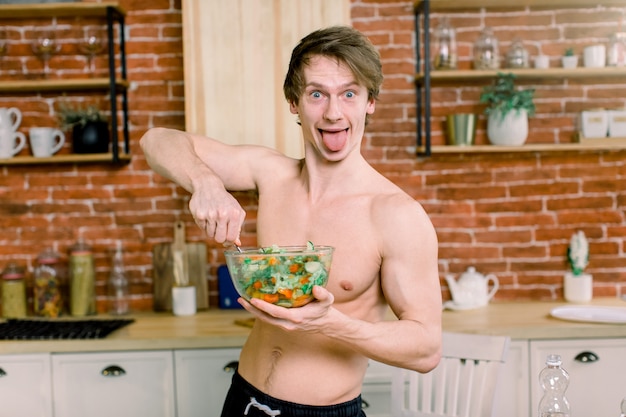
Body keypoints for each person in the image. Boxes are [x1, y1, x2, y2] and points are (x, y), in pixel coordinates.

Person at [141, 25, 441, 417]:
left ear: (370, 101)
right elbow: (156, 140)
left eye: (349, 93)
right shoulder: (271, 175)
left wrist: (331, 323)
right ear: (294, 103)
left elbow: (426, 348)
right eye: (317, 94)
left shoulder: (394, 214)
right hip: (242, 400)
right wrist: (207, 184)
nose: (334, 113)